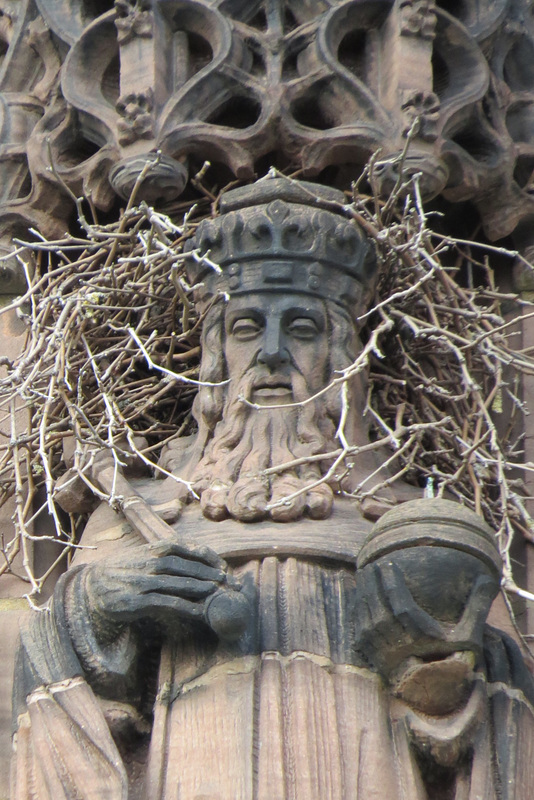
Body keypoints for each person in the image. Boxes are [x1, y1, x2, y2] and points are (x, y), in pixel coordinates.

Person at [11, 178, 534, 800]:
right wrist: (93, 609)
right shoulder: (144, 510)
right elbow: (55, 681)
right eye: (246, 328)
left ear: (345, 357)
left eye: (305, 329)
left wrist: (444, 664)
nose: (273, 353)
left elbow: (498, 703)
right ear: (213, 355)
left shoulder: (409, 517)